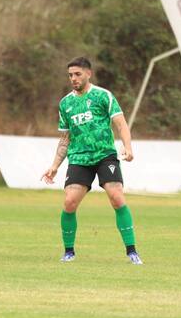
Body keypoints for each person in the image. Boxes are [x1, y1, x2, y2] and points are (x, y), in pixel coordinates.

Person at [40, 57, 143, 264]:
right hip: (79, 158)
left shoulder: (103, 96)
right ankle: (69, 252)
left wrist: (128, 146)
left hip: (105, 155)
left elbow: (121, 124)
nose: (73, 78)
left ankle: (132, 251)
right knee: (69, 202)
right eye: (70, 75)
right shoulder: (65, 103)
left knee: (116, 196)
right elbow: (65, 139)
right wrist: (54, 165)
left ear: (89, 73)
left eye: (77, 74)